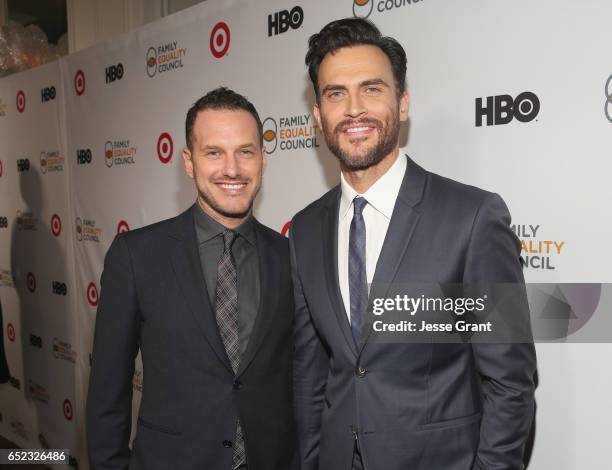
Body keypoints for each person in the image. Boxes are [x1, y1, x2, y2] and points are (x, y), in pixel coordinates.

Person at [291, 18, 536, 470]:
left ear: (402, 104)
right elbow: (311, 376)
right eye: (335, 93)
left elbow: (510, 383)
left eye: (372, 89)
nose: (354, 109)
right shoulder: (305, 229)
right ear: (317, 116)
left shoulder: (473, 218)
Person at [87, 87, 296, 470]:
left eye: (245, 152)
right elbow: (108, 389)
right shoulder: (137, 256)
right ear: (188, 161)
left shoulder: (289, 258)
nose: (232, 169)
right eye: (214, 152)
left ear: (263, 160)